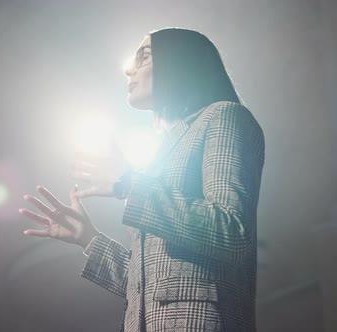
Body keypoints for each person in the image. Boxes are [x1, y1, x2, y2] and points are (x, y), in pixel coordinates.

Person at [18, 27, 265, 332]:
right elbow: (151, 286)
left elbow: (233, 232)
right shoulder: (159, 156)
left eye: (144, 56)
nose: (128, 69)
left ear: (182, 61)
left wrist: (131, 182)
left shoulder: (224, 116)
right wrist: (88, 238)